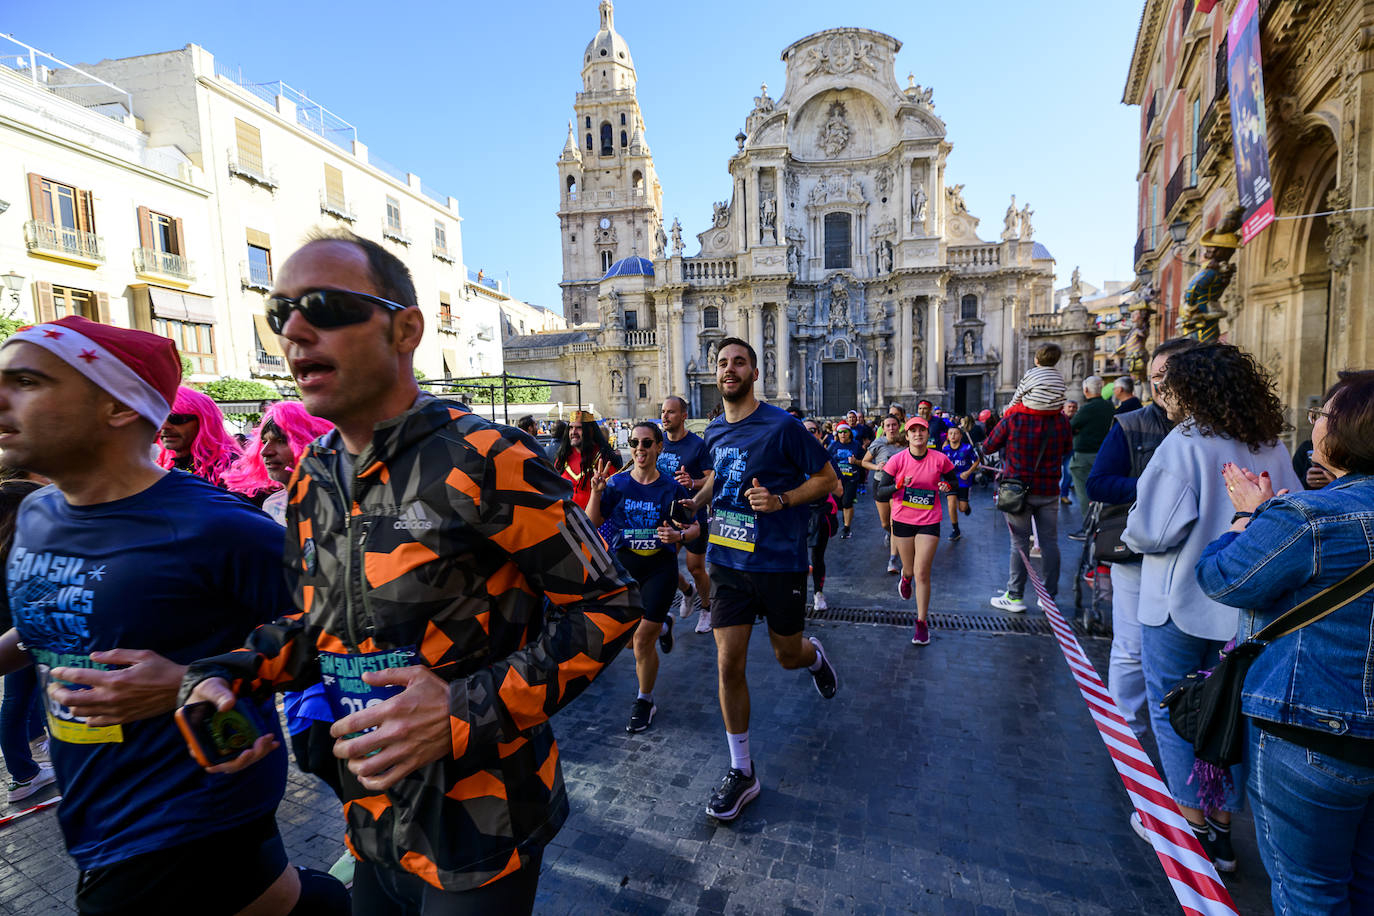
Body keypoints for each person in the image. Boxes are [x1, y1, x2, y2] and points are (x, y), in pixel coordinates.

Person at [177, 231, 642, 914]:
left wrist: (460, 708)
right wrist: (226, 672)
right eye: (281, 315)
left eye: (325, 306)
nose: (295, 330)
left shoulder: (488, 456)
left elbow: (610, 603)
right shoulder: (312, 478)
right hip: (371, 821)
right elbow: (319, 628)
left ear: (406, 328)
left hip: (482, 829)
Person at [0, 315, 345, 915]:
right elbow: (50, 626)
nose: (2, 397)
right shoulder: (38, 514)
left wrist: (193, 680)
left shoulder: (218, 526)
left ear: (117, 406)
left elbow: (343, 633)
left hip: (190, 815)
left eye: (29, 381)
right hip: (91, 807)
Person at [1198, 370, 1374, 914]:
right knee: (1364, 885)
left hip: (1312, 729)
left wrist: (1249, 515)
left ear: (1347, 430)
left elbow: (1223, 577)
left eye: (1322, 413)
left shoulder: (1310, 517)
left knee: (1309, 892)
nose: (1313, 420)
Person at [1122, 341, 1301, 873]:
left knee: (1174, 708)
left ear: (1193, 387)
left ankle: (1187, 822)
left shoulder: (1186, 441)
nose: (1162, 396)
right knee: (1230, 715)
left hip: (1180, 605)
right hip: (1246, 609)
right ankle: (1222, 826)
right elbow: (1285, 516)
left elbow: (1152, 528)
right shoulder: (1268, 443)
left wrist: (1132, 531)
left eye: (1167, 386)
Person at [688, 338, 839, 822]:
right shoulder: (713, 430)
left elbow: (828, 480)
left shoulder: (783, 426)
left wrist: (781, 501)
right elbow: (720, 475)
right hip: (727, 564)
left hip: (779, 563)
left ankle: (814, 658)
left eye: (738, 362)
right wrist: (694, 502)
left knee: (785, 654)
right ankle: (742, 770)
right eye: (722, 363)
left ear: (755, 371)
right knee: (729, 664)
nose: (729, 369)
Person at [1086, 337, 1199, 740]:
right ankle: (1126, 735)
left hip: (1193, 559)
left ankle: (1182, 725)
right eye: (1154, 379)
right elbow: (1098, 484)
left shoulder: (1215, 430)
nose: (1159, 388)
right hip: (1137, 554)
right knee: (1131, 648)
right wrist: (1156, 488)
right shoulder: (1130, 424)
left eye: (1166, 378)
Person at [587, 422, 697, 733]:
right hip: (624, 569)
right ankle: (665, 625)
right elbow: (591, 521)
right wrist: (596, 493)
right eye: (634, 442)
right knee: (623, 641)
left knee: (641, 640)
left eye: (647, 443)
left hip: (660, 571)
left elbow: (694, 528)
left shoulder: (671, 487)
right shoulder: (618, 484)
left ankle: (644, 699)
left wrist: (678, 534)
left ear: (659, 447)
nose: (640, 449)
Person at [982, 391, 1074, 612]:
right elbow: (1068, 449)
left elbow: (988, 446)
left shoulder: (1014, 418)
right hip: (1049, 489)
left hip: (1017, 490)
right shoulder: (1060, 419)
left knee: (1019, 544)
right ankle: (1048, 598)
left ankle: (1015, 596)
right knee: (1050, 542)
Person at [885, 417, 957, 645]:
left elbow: (954, 482)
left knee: (923, 572)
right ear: (906, 436)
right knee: (910, 570)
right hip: (903, 520)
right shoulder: (897, 460)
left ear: (928, 435)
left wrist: (947, 486)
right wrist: (898, 485)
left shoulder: (940, 459)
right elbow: (879, 492)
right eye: (912, 431)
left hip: (929, 520)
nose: (918, 434)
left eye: (922, 430)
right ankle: (905, 579)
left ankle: (921, 623)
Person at [0, 474, 50, 803]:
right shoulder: (16, 557)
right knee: (18, 701)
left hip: (18, 634)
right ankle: (24, 774)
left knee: (20, 700)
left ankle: (27, 764)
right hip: (18, 635)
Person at [224, 402, 335, 524]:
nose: (265, 451)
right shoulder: (272, 505)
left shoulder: (340, 506)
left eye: (281, 441)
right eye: (264, 441)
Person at [658, 396, 714, 632]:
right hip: (664, 515)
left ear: (684, 416)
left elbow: (711, 479)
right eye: (662, 411)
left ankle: (707, 608)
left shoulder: (697, 445)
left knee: (695, 568)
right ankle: (687, 591)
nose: (665, 416)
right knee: (663, 566)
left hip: (692, 515)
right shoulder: (658, 442)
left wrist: (692, 482)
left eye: (671, 412)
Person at [156, 386, 242, 487]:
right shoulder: (161, 466)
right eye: (159, 417)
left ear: (204, 422)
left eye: (176, 418)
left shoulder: (234, 468)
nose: (164, 426)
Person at [803, 420, 843, 610]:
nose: (808, 434)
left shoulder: (826, 458)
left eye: (812, 430)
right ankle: (797, 592)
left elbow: (839, 490)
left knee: (817, 557)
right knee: (796, 555)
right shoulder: (790, 458)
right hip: (796, 512)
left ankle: (818, 593)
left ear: (819, 434)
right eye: (804, 431)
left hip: (819, 513)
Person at [1067, 376, 1114, 538]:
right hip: (1103, 454)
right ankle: (1102, 526)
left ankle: (1088, 528)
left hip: (1083, 456)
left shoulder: (1087, 409)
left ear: (1086, 390)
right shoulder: (1109, 407)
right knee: (1100, 492)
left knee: (1084, 494)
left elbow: (1071, 427)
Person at [861, 415, 907, 574]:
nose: (891, 428)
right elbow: (864, 462)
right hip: (881, 484)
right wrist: (876, 467)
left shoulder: (905, 443)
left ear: (899, 426)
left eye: (894, 425)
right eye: (888, 425)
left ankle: (893, 560)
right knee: (885, 524)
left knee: (895, 523)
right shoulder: (878, 443)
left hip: (899, 487)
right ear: (883, 427)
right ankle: (889, 533)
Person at [554, 410, 622, 509]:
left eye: (579, 428)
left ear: (590, 431)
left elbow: (614, 494)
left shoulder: (605, 458)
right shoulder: (563, 457)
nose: (573, 432)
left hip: (595, 519)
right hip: (566, 518)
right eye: (571, 427)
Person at [940, 424, 979, 541]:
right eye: (950, 433)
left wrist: (968, 472)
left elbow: (977, 461)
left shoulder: (967, 448)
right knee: (951, 502)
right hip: (950, 480)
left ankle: (966, 507)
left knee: (962, 508)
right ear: (947, 436)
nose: (953, 435)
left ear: (961, 436)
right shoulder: (945, 450)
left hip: (963, 480)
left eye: (955, 433)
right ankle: (955, 530)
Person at [1006, 343, 1067, 414]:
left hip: (1034, 407)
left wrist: (1010, 408)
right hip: (1054, 409)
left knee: (1009, 412)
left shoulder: (1031, 373)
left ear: (1036, 360)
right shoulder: (1059, 376)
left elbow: (1019, 394)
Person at [827, 422, 862, 537]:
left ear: (849, 433)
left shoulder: (856, 445)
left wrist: (856, 462)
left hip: (851, 479)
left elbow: (865, 461)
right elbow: (826, 460)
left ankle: (846, 527)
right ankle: (835, 523)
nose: (843, 434)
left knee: (847, 502)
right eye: (840, 432)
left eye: (845, 432)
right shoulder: (833, 445)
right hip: (836, 480)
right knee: (837, 504)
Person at [1059, 399, 1078, 504]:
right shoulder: (1059, 418)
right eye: (1069, 407)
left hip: (1070, 450)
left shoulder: (1077, 418)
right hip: (1057, 450)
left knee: (1068, 473)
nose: (1072, 409)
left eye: (1074, 407)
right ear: (1064, 408)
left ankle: (1064, 494)